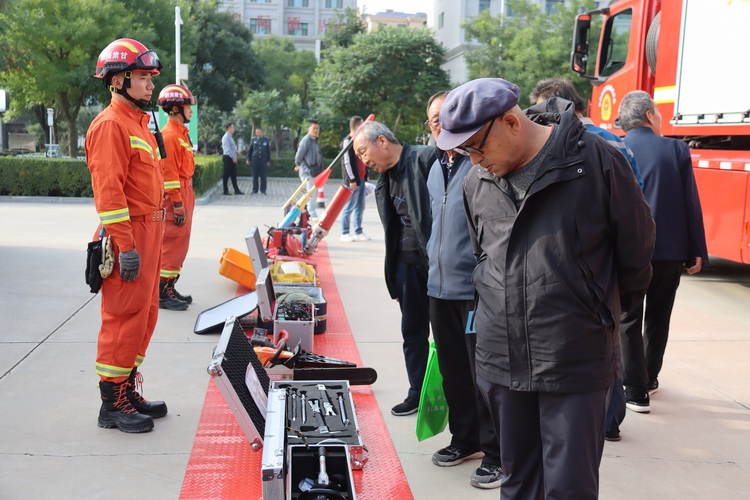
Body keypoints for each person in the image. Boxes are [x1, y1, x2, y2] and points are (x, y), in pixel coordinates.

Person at [437, 78, 655, 498]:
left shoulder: (597, 162)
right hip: (501, 358)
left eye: (477, 147)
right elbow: (482, 257)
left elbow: (636, 255)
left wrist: (595, 311)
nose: (474, 160)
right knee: (517, 482)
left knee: (569, 487)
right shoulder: (476, 182)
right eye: (463, 152)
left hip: (573, 357)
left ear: (510, 123)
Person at [529, 76, 639, 441]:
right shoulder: (616, 142)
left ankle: (604, 417)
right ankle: (610, 420)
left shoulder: (593, 147)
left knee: (601, 346)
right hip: (603, 266)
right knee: (608, 343)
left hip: (589, 264)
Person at [86, 38, 170, 433]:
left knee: (145, 316)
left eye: (151, 78)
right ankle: (111, 404)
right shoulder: (109, 126)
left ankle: (126, 387)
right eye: (143, 78)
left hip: (149, 232)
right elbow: (109, 194)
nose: (151, 86)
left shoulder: (138, 123)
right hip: (128, 235)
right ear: (118, 80)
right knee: (123, 318)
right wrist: (125, 246)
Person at [424, 91, 502, 489]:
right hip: (438, 287)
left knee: (482, 375)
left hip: (473, 290)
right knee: (453, 372)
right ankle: (465, 438)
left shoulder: (480, 166)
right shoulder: (436, 166)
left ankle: (496, 453)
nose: (437, 126)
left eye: (442, 117)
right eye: (432, 121)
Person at [618, 90, 708, 413]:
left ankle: (634, 389)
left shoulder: (613, 147)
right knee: (658, 315)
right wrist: (697, 249)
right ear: (648, 117)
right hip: (668, 250)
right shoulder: (675, 149)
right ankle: (650, 377)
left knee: (628, 316)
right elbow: (690, 203)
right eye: (657, 113)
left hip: (628, 250)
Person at [353, 120, 437, 416]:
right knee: (412, 332)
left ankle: (454, 394)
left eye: (364, 152)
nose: (364, 160)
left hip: (437, 265)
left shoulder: (427, 158)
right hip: (405, 268)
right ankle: (416, 392)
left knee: (446, 336)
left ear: (383, 142)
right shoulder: (385, 180)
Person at [156, 83, 196, 312]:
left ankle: (170, 284)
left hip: (184, 192)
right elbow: (169, 174)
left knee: (181, 243)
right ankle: (162, 291)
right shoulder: (170, 135)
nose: (191, 110)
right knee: (172, 243)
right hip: (175, 197)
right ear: (175, 109)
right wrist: (178, 205)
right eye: (187, 106)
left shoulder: (180, 134)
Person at [340, 115, 371, 242]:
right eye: (363, 125)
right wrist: (352, 179)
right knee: (349, 206)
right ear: (357, 126)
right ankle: (344, 232)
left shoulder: (361, 140)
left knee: (360, 206)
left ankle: (358, 231)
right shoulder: (348, 141)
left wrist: (366, 173)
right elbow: (346, 162)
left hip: (362, 178)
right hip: (353, 180)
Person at [294, 120, 323, 219]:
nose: (316, 130)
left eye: (317, 128)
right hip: (307, 171)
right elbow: (299, 155)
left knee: (309, 193)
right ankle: (312, 213)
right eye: (314, 128)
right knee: (311, 193)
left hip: (314, 171)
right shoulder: (306, 140)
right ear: (309, 129)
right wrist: (298, 164)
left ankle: (301, 212)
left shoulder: (316, 141)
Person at [247, 126, 271, 195]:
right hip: (255, 160)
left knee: (263, 176)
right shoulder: (253, 140)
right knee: (255, 176)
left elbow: (268, 151)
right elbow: (250, 150)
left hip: (263, 160)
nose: (258, 134)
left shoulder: (266, 140)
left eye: (259, 132)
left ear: (262, 132)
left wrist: (268, 160)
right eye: (257, 132)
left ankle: (263, 190)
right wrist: (248, 159)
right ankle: (255, 190)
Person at [222, 122, 243, 195]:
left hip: (231, 157)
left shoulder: (230, 136)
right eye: (232, 127)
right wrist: (233, 158)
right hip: (228, 157)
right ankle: (225, 190)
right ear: (229, 128)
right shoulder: (226, 137)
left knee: (233, 174)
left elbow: (232, 148)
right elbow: (227, 149)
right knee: (226, 174)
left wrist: (236, 152)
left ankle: (236, 190)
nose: (234, 129)